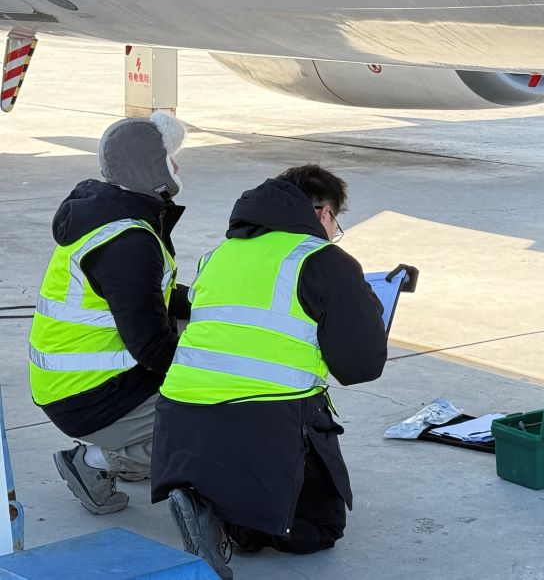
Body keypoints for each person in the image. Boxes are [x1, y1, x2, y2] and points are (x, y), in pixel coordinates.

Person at [151, 164, 386, 578]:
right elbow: (360, 367)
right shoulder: (324, 260)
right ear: (323, 213)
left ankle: (207, 496)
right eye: (337, 221)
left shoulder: (217, 255)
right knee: (318, 530)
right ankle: (227, 520)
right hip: (265, 422)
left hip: (181, 422)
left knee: (267, 503)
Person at [28, 111, 188, 514]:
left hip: (73, 383)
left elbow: (152, 295)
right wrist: (214, 372)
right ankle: (97, 460)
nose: (178, 167)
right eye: (172, 159)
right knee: (223, 418)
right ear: (152, 168)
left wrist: (216, 299)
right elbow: (152, 345)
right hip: (89, 395)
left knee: (197, 326)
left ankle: (131, 449)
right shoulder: (127, 240)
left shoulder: (109, 214)